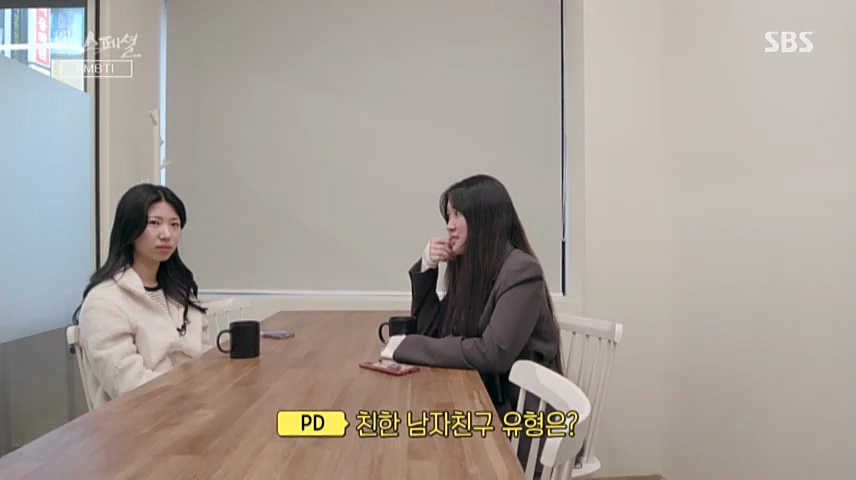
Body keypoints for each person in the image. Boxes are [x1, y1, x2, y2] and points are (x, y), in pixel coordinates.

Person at [380, 174, 569, 471]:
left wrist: (405, 346)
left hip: (523, 419)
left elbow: (492, 353)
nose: (449, 224)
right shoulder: (474, 266)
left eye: (458, 214)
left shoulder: (521, 271)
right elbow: (435, 332)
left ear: (483, 218)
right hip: (489, 401)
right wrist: (427, 268)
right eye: (448, 215)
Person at [72, 184, 211, 409]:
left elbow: (207, 361)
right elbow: (130, 387)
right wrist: (192, 394)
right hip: (138, 421)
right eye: (154, 223)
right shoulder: (104, 301)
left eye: (174, 224)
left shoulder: (181, 292)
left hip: (193, 408)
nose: (166, 234)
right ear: (130, 228)